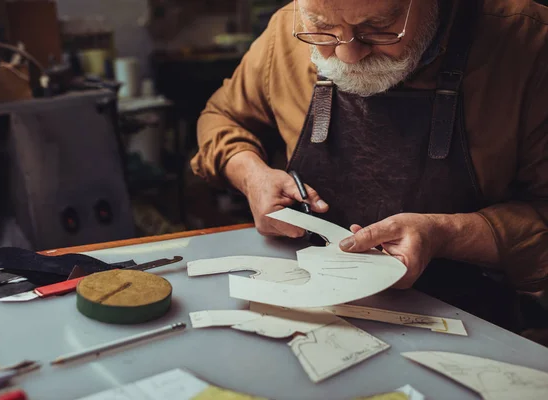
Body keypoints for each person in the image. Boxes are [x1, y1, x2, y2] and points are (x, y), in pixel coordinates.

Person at [190, 0, 548, 333]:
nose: (347, 54)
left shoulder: (530, 43)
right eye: (322, 27)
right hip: (310, 306)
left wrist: (445, 234)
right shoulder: (287, 29)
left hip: (472, 322)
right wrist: (252, 174)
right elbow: (223, 117)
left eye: (378, 27)